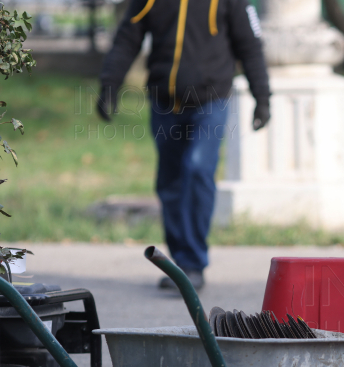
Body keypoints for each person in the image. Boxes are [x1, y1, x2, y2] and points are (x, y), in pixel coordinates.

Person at [97, 0, 271, 290]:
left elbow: (250, 45)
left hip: (210, 100)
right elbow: (128, 37)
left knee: (198, 168)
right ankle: (180, 264)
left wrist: (262, 98)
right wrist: (109, 86)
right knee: (171, 182)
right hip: (164, 102)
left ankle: (193, 263)